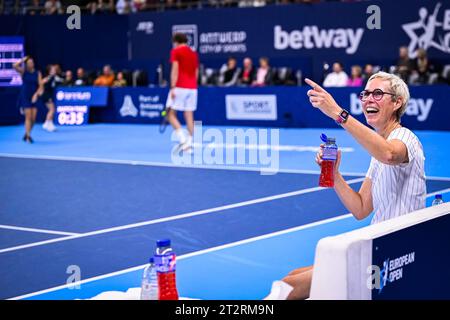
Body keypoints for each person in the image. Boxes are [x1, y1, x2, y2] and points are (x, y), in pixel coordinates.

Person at [277, 72, 426, 300]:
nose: (368, 99)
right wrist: (335, 175)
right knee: (293, 275)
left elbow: (389, 154)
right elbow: (361, 208)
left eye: (378, 93)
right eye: (365, 94)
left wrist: (338, 113)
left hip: (395, 252)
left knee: (289, 286)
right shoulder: (377, 152)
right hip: (378, 243)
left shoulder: (405, 138)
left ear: (397, 103)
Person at [165, 32, 199, 154]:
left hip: (179, 86)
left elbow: (175, 69)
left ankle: (183, 141)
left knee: (170, 114)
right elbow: (196, 72)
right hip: (193, 88)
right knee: (189, 115)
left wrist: (173, 87)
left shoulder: (176, 51)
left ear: (176, 41)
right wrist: (193, 85)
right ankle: (189, 143)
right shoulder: (193, 53)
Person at [13, 56, 43, 143]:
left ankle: (27, 133)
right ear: (26, 64)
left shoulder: (38, 73)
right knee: (28, 117)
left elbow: (40, 86)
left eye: (32, 62)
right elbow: (14, 66)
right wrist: (22, 60)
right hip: (25, 96)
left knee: (33, 119)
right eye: (29, 63)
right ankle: (29, 136)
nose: (31, 64)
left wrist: (36, 94)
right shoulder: (23, 71)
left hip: (34, 96)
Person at [41, 64, 64, 132]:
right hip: (46, 95)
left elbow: (61, 80)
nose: (55, 71)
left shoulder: (54, 77)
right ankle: (47, 124)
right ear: (49, 71)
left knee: (52, 109)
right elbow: (41, 82)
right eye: (53, 70)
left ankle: (49, 124)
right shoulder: (48, 77)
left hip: (50, 95)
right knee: (52, 109)